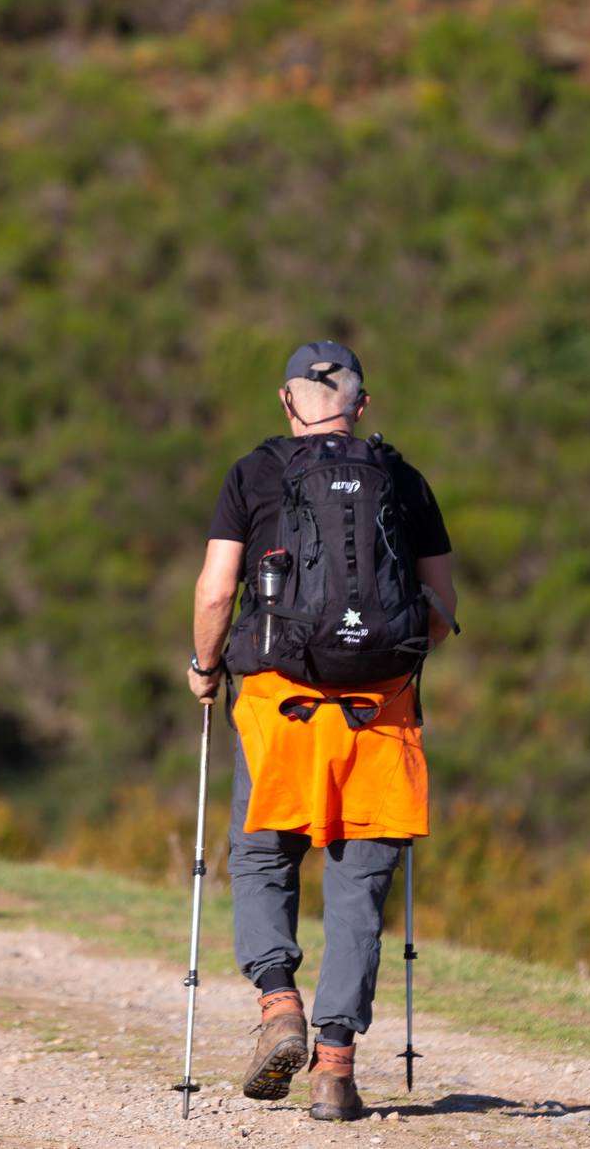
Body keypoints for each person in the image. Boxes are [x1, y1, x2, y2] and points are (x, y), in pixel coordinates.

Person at [186, 340, 457, 1122]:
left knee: (264, 850)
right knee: (359, 881)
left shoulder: (255, 471)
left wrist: (205, 668)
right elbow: (439, 606)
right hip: (379, 709)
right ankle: (335, 1067)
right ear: (362, 407)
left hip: (279, 700)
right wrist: (388, 662)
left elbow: (214, 593)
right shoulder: (401, 479)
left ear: (286, 402)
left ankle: (278, 1007)